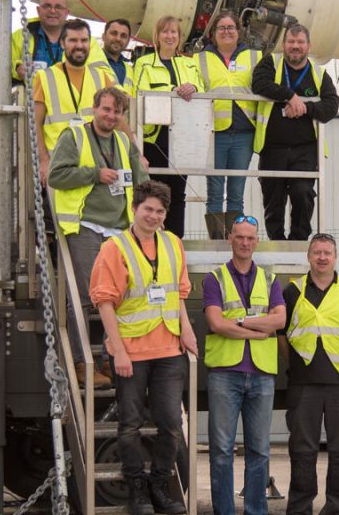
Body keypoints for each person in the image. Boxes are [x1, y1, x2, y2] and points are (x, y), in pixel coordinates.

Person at [91, 180, 197, 515]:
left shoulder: (172, 244)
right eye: (147, 209)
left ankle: (159, 485)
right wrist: (117, 351)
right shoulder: (115, 247)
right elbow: (105, 302)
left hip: (168, 350)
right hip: (132, 353)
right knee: (130, 424)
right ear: (135, 209)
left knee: (171, 424)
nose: (153, 216)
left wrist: (187, 330)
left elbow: (177, 294)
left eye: (160, 211)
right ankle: (136, 489)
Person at [48, 87, 148, 388]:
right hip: (86, 225)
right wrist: (94, 174)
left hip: (119, 229)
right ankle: (81, 361)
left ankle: (107, 355)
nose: (111, 116)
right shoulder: (73, 136)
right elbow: (56, 176)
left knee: (116, 296)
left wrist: (149, 206)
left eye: (116, 112)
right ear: (94, 108)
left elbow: (140, 179)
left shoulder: (123, 140)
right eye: (106, 109)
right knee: (84, 294)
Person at [279, 233, 339, 515]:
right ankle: (300, 506)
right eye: (316, 252)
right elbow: (282, 337)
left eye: (327, 253)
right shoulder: (291, 291)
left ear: (335, 257)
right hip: (303, 383)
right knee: (302, 450)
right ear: (308, 256)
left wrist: (336, 359)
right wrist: (300, 361)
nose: (321, 257)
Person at [202, 214, 286, 515]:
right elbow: (215, 323)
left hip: (262, 375)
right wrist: (255, 329)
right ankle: (224, 511)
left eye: (250, 237)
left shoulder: (270, 279)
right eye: (239, 236)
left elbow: (280, 319)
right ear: (230, 239)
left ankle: (256, 511)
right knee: (222, 452)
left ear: (257, 240)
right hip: (225, 374)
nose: (245, 242)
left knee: (260, 451)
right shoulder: (214, 278)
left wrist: (236, 321)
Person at [251, 24, 339, 240]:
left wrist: (305, 108)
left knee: (303, 193)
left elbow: (331, 106)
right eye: (291, 42)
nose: (295, 47)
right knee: (273, 198)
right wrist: (290, 96)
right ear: (284, 45)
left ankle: (299, 241)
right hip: (273, 147)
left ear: (308, 46)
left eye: (300, 43)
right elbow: (259, 84)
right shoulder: (271, 62)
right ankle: (277, 242)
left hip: (305, 149)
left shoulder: (319, 75)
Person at [134, 15, 205, 237]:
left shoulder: (189, 63)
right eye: (165, 31)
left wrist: (192, 87)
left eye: (174, 32)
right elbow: (139, 95)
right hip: (155, 138)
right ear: (157, 36)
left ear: (180, 37)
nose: (169, 36)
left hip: (182, 137)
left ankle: (176, 240)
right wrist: (172, 92)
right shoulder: (143, 64)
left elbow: (203, 91)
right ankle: (153, 237)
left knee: (178, 193)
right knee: (155, 192)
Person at [195, 11, 261, 238]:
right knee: (214, 190)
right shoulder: (200, 58)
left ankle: (234, 238)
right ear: (213, 33)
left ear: (238, 31)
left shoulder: (254, 56)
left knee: (236, 191)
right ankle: (216, 239)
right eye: (221, 27)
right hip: (214, 132)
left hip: (244, 132)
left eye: (231, 27)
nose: (226, 31)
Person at [34, 18, 116, 186]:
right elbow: (35, 124)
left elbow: (118, 120)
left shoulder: (102, 77)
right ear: (62, 43)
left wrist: (136, 155)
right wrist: (43, 160)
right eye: (73, 40)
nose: (79, 45)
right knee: (65, 212)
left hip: (97, 162)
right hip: (60, 165)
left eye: (84, 40)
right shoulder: (45, 77)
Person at [11, 0, 106, 82]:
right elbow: (0, 65)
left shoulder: (86, 41)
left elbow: (104, 73)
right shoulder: (19, 37)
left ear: (67, 12)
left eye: (58, 7)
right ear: (38, 10)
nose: (52, 11)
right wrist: (17, 68)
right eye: (47, 6)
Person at [99, 17, 134, 93]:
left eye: (123, 36)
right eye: (114, 33)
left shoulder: (131, 70)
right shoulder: (91, 60)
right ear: (103, 36)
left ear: (128, 41)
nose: (118, 39)